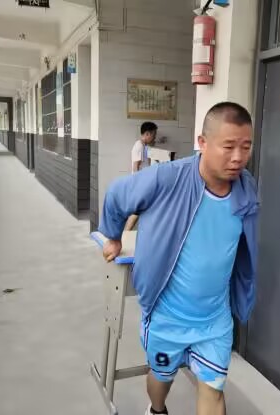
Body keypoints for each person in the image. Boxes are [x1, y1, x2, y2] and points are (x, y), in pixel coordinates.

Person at [99, 102, 259, 415]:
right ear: (202, 143)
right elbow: (117, 194)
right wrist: (114, 237)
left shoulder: (246, 187)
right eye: (228, 146)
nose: (238, 157)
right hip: (167, 317)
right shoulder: (167, 179)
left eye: (246, 146)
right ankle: (157, 410)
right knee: (161, 379)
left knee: (213, 390)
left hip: (215, 320)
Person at [125, 121, 158, 231]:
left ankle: (127, 233)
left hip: (143, 183)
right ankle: (125, 233)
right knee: (136, 212)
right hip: (139, 184)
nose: (154, 137)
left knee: (140, 211)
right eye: (153, 134)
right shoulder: (139, 146)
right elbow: (136, 167)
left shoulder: (144, 146)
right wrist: (139, 186)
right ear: (147, 134)